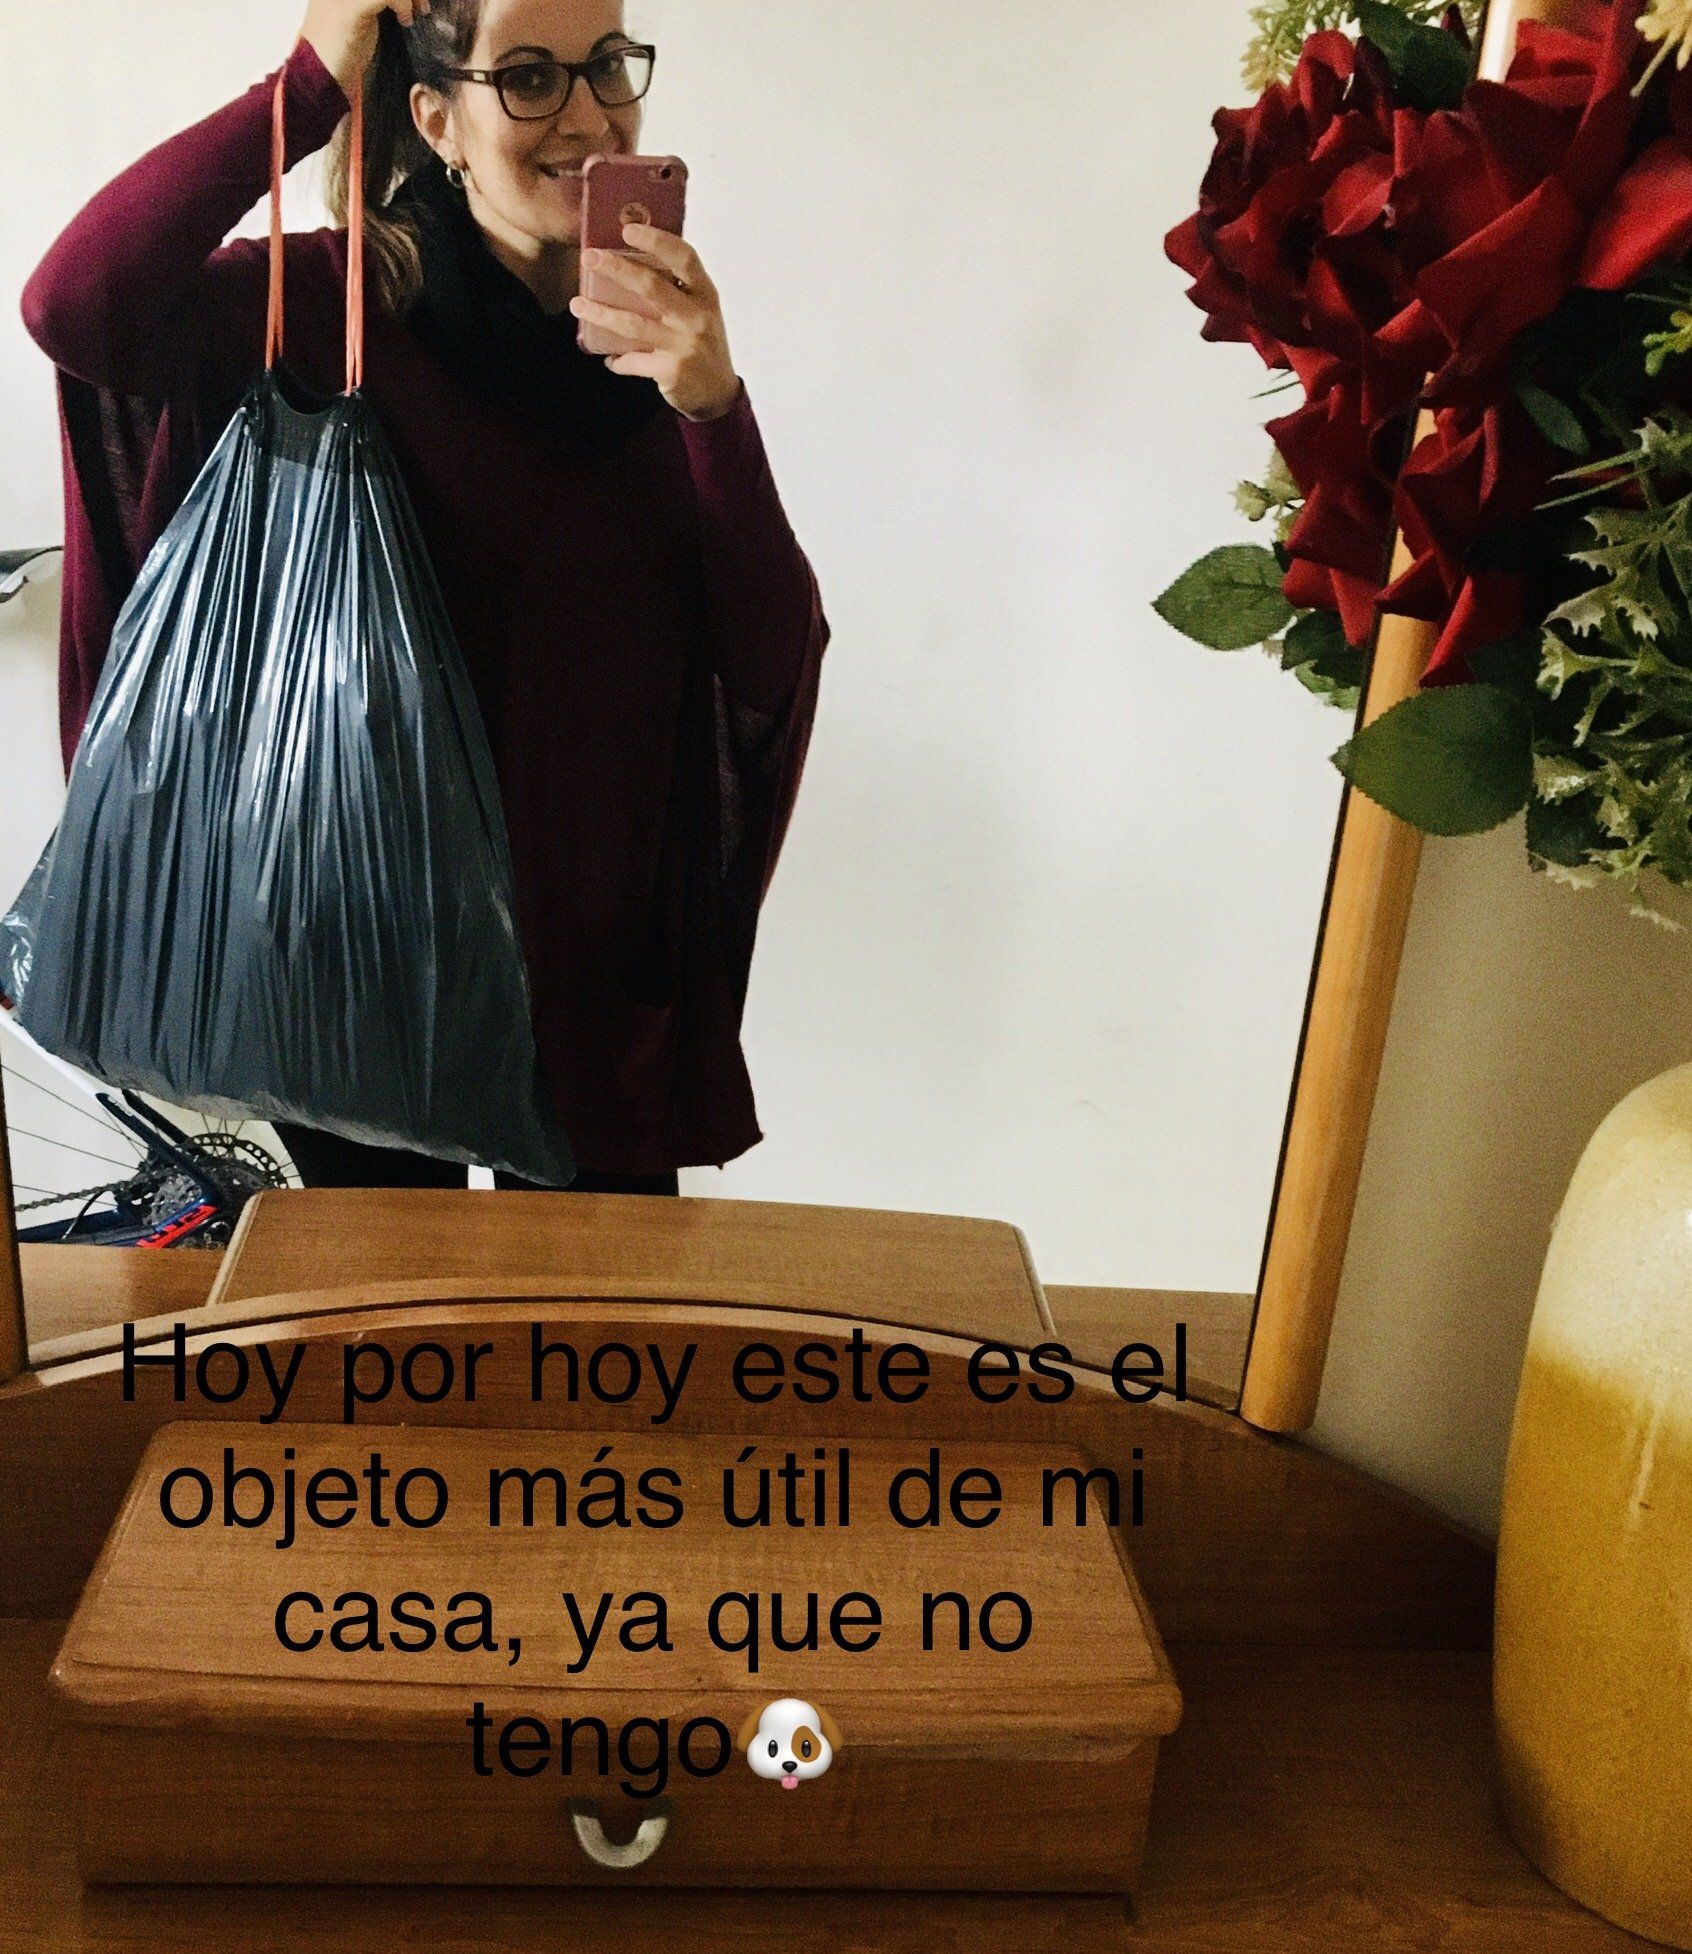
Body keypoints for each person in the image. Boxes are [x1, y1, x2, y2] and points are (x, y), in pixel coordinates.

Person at [21, 0, 828, 1198]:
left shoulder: (654, 350)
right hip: (349, 961)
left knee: (596, 1312)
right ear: (437, 119)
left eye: (608, 65)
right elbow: (75, 306)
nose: (589, 116)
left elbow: (768, 653)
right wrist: (303, 88)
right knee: (386, 1308)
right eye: (531, 77)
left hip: (591, 980)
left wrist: (714, 409)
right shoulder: (322, 309)